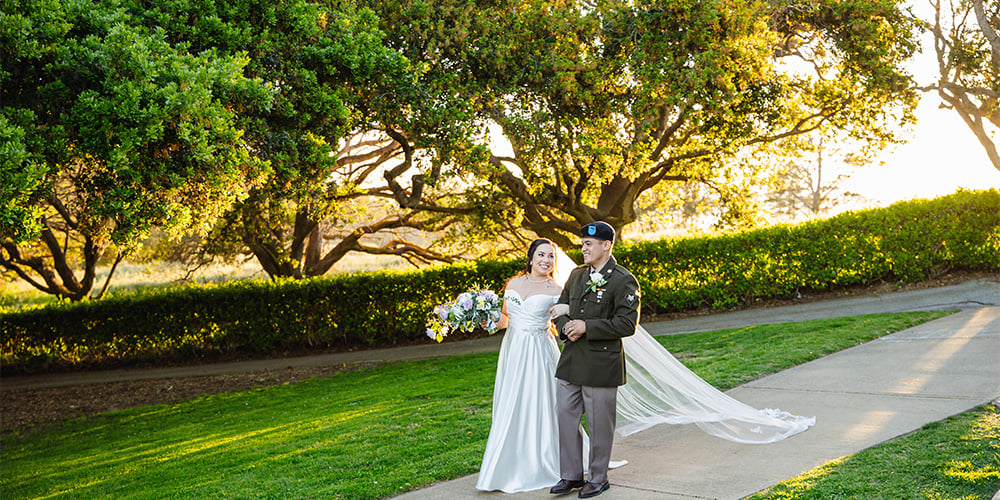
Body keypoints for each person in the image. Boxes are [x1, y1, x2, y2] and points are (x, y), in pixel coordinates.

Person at [549, 221, 639, 498]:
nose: (583, 248)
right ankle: (571, 475)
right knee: (565, 416)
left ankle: (598, 478)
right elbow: (561, 308)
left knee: (600, 424)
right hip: (573, 359)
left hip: (601, 363)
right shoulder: (576, 275)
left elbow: (627, 324)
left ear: (606, 245)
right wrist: (566, 325)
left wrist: (587, 326)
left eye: (588, 244)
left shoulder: (623, 279)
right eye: (582, 243)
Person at [475, 238, 564, 493]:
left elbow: (559, 324)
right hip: (513, 350)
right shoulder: (513, 283)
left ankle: (542, 460)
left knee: (539, 402)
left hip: (538, 351)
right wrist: (488, 321)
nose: (546, 260)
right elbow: (505, 318)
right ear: (531, 257)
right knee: (511, 401)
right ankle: (506, 462)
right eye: (542, 255)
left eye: (551, 256)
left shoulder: (556, 289)